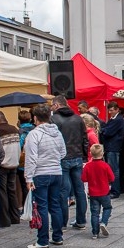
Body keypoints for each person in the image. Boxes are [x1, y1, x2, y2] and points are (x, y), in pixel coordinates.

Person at [24, 103, 66, 248]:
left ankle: (42, 240)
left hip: (40, 173)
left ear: (35, 118)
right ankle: (58, 236)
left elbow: (31, 158)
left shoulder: (34, 134)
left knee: (42, 206)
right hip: (56, 171)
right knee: (55, 205)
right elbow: (63, 153)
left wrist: (28, 178)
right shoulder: (57, 133)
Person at [52, 96, 89, 229]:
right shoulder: (78, 118)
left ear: (56, 105)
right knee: (80, 190)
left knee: (64, 191)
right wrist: (84, 155)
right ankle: (81, 220)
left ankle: (62, 223)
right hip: (77, 156)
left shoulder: (54, 119)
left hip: (62, 158)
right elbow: (85, 138)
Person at [0, 110, 21, 227]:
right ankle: (15, 217)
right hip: (14, 163)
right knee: (12, 191)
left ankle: (5, 220)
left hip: (2, 164)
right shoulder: (14, 129)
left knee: (2, 193)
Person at [82, 144, 115, 239]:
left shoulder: (88, 166)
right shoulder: (105, 165)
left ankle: (95, 232)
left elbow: (83, 178)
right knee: (107, 208)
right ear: (102, 154)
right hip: (104, 192)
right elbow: (112, 178)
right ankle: (104, 222)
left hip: (93, 193)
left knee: (94, 213)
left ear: (91, 154)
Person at [99, 101, 124, 199]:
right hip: (111, 146)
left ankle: (115, 190)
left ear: (116, 110)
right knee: (112, 169)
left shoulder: (118, 120)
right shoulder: (114, 119)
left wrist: (104, 131)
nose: (110, 112)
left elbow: (108, 132)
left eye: (111, 110)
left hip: (113, 147)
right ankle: (115, 189)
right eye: (109, 110)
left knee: (114, 169)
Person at [16, 109, 35, 213]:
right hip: (35, 160)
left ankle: (26, 206)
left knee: (24, 185)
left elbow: (19, 147)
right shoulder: (35, 129)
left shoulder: (20, 132)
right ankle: (34, 204)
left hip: (23, 162)